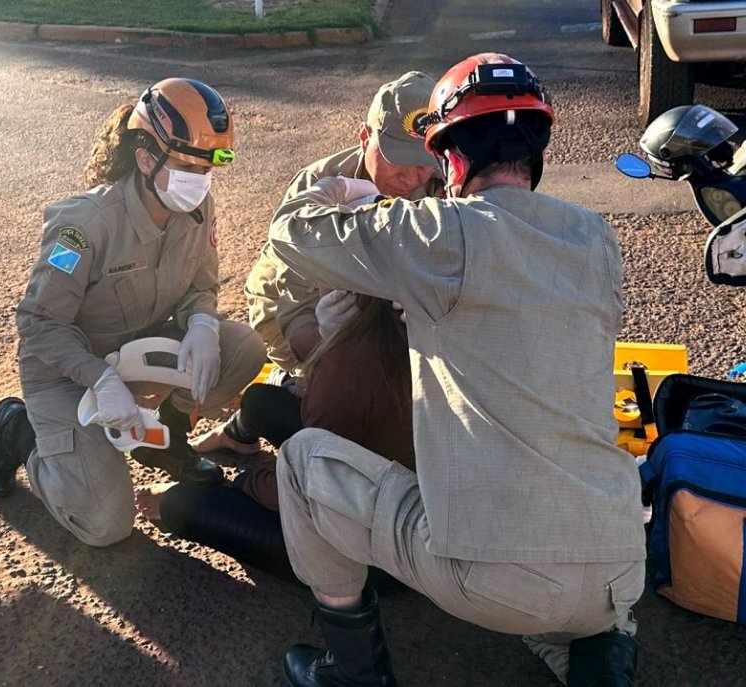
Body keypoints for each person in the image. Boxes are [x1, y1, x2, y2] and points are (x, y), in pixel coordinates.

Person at [266, 54, 646, 687]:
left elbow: (291, 233)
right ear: (536, 151)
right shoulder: (595, 238)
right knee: (562, 584)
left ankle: (354, 672)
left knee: (303, 461)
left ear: (453, 160)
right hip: (617, 570)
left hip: (496, 578)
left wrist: (336, 190)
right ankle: (601, 660)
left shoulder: (442, 236)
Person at [0, 78, 266, 547]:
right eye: (190, 164)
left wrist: (204, 322)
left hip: (137, 349)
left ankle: (165, 438)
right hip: (67, 371)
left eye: (212, 166)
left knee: (241, 350)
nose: (203, 179)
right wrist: (100, 379)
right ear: (146, 157)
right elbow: (39, 324)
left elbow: (201, 285)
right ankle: (18, 431)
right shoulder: (83, 226)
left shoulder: (197, 206)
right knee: (106, 525)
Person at [133, 292, 414, 585]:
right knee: (259, 401)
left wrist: (246, 482)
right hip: (401, 499)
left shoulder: (349, 364)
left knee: (182, 505)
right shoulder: (411, 324)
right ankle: (237, 435)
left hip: (381, 550)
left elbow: (315, 488)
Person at [244, 71, 442, 377]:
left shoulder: (448, 183)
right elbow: (293, 312)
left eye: (422, 164)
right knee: (331, 389)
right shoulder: (317, 190)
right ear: (365, 138)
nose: (411, 178)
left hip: (384, 311)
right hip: (297, 311)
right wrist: (327, 343)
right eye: (396, 160)